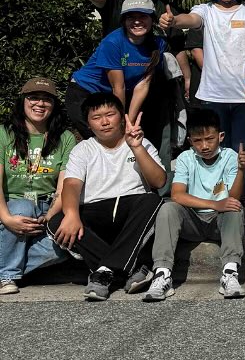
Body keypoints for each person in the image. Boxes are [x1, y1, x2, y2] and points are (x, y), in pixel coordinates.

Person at [47, 94, 166, 301]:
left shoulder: (142, 143)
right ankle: (132, 268)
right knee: (56, 222)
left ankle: (104, 272)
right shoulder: (82, 149)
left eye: (110, 114)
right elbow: (72, 185)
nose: (104, 122)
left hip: (132, 214)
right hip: (95, 213)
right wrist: (72, 214)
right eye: (97, 117)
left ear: (121, 117)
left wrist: (136, 147)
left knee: (153, 201)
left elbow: (159, 182)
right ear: (88, 124)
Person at [168, 0, 245, 203]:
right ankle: (216, 197)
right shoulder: (205, 10)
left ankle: (240, 197)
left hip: (244, 95)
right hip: (212, 96)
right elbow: (192, 20)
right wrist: (175, 20)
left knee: (242, 149)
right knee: (216, 150)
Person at [143, 107, 245, 302]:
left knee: (235, 208)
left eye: (209, 139)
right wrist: (214, 204)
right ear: (190, 141)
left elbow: (234, 197)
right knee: (167, 208)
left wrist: (241, 170)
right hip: (193, 220)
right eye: (198, 141)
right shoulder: (185, 158)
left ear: (221, 136)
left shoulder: (230, 156)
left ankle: (230, 272)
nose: (204, 146)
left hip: (220, 221)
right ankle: (162, 273)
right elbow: (177, 195)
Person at [0, 78, 76, 293]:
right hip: (9, 206)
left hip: (46, 208)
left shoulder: (65, 138)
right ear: (23, 101)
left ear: (54, 105)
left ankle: (7, 271)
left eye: (46, 100)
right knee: (22, 208)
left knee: (62, 246)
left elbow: (65, 186)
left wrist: (51, 214)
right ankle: (7, 277)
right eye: (33, 98)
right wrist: (6, 217)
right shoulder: (4, 133)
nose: (40, 104)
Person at [67, 0, 165, 138]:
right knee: (103, 139)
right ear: (124, 21)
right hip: (86, 92)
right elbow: (118, 87)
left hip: (115, 96)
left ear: (152, 19)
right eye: (131, 17)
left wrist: (128, 123)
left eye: (143, 16)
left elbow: (143, 85)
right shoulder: (113, 42)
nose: (137, 21)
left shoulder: (158, 44)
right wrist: (120, 124)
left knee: (125, 135)